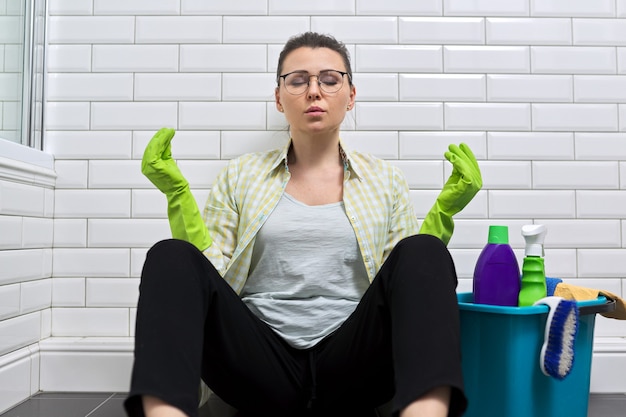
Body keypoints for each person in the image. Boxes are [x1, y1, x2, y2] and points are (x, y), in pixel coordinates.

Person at [124, 32, 482, 417]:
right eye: (298, 80)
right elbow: (210, 275)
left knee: (425, 250)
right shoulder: (241, 175)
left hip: (355, 366)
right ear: (279, 98)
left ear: (351, 95)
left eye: (330, 79)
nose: (315, 91)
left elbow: (404, 284)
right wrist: (178, 196)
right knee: (170, 255)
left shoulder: (385, 180)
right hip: (257, 364)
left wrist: (441, 217)